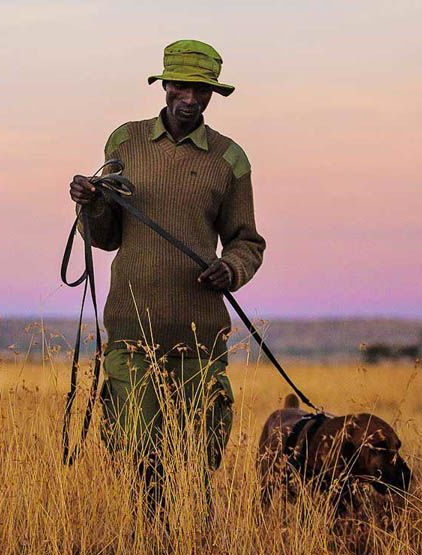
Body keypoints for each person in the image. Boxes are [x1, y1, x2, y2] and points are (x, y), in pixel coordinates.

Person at [68, 39, 265, 512]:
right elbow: (104, 238)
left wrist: (231, 268)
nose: (190, 99)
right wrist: (90, 204)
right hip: (131, 330)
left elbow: (247, 242)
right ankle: (146, 541)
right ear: (164, 84)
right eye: (180, 86)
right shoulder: (125, 142)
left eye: (201, 90)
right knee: (138, 458)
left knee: (196, 463)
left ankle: (193, 541)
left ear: (213, 94)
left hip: (199, 338)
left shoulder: (229, 159)